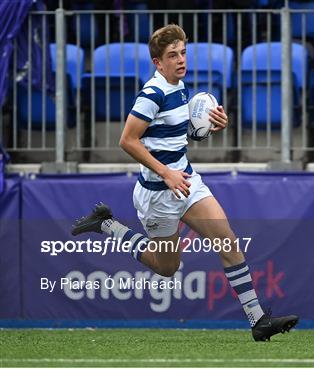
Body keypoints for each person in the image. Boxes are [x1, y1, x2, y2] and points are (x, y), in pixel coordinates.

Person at [72, 24, 298, 341]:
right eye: (172, 55)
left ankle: (258, 321)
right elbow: (127, 140)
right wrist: (165, 172)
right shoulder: (151, 94)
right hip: (158, 195)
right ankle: (108, 225)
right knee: (166, 267)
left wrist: (209, 127)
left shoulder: (180, 87)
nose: (180, 60)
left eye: (182, 53)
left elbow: (177, 137)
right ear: (157, 62)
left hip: (187, 182)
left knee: (227, 241)